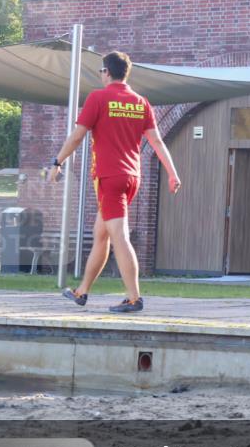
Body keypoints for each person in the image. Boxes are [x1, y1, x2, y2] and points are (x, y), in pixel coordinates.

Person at [49, 51, 181, 313]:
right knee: (102, 235)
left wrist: (57, 162)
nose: (101, 74)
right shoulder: (141, 102)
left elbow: (77, 136)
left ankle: (134, 298)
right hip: (131, 178)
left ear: (106, 72)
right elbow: (156, 140)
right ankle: (81, 292)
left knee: (120, 236)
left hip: (109, 178)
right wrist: (172, 172)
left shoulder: (98, 98)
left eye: (101, 71)